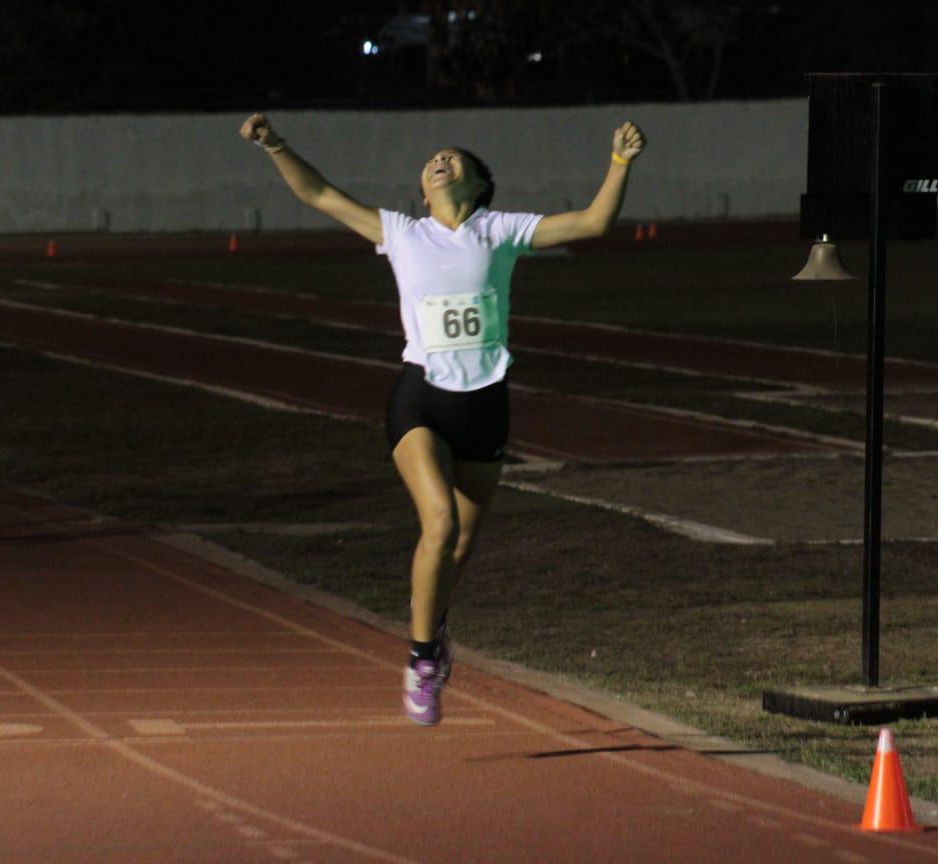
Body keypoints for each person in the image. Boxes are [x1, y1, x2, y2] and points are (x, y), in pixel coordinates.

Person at [239, 112, 645, 726]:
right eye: (433, 160)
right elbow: (319, 193)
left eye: (455, 159)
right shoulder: (401, 232)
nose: (440, 161)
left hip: (485, 406)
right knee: (439, 521)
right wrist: (275, 144)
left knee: (458, 549)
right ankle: (421, 660)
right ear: (422, 189)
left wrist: (619, 163)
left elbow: (593, 221)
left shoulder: (500, 230)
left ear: (480, 183)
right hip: (420, 399)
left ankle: (436, 631)